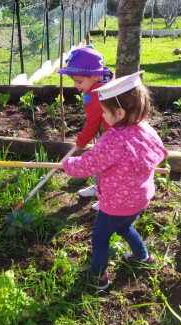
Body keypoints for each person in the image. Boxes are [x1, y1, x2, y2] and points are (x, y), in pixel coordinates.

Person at [62, 71, 168, 290]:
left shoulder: (112, 139)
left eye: (104, 112)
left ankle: (97, 276)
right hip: (139, 198)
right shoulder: (145, 128)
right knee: (125, 228)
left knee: (100, 237)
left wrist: (69, 164)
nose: (103, 116)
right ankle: (144, 257)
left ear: (119, 112)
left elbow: (87, 166)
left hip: (116, 203)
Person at [57, 46, 114, 211]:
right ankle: (98, 188)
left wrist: (81, 142)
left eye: (79, 82)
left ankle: (107, 197)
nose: (75, 85)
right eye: (74, 81)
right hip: (106, 133)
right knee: (99, 160)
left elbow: (92, 122)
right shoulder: (103, 81)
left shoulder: (99, 95)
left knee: (108, 166)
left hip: (113, 137)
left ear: (95, 76)